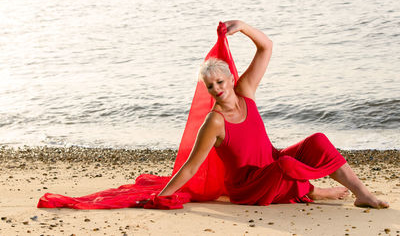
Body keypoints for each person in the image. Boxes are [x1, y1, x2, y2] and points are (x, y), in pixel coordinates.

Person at [158, 20, 389, 209]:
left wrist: (243, 26)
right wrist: (161, 195)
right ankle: (314, 191)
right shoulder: (215, 120)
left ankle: (363, 194)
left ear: (231, 79)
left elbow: (266, 46)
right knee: (286, 165)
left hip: (273, 163)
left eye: (220, 82)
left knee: (317, 140)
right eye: (210, 86)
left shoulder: (246, 91)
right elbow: (191, 167)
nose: (216, 89)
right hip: (248, 188)